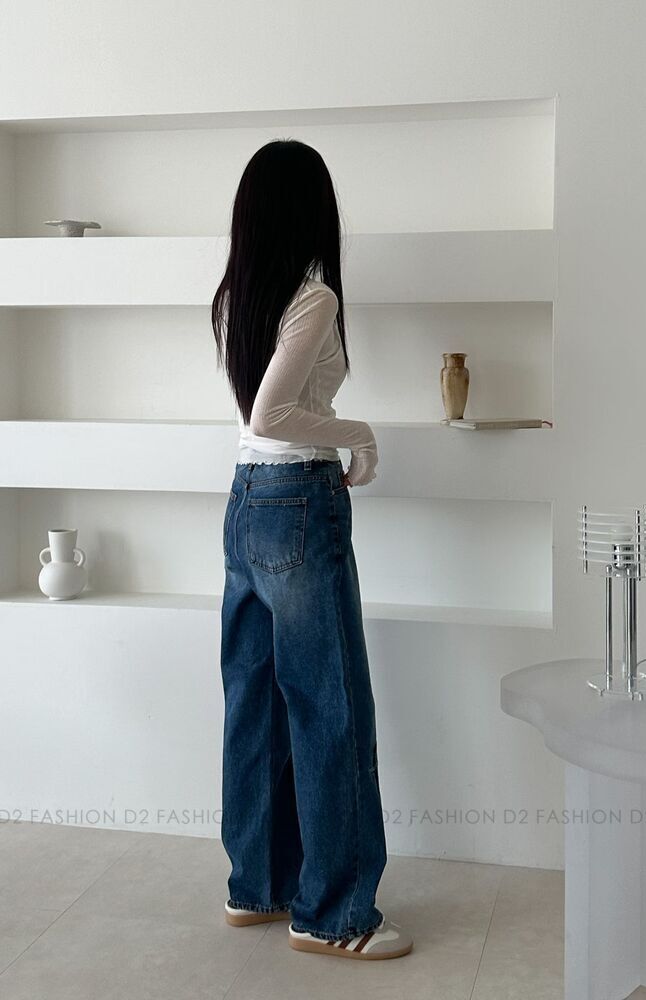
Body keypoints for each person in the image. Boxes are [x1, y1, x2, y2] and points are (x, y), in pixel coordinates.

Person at [211, 139, 412, 960]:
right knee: (330, 707)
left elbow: (253, 419)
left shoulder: (239, 294)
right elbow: (274, 414)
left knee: (255, 702)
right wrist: (360, 433)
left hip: (244, 501)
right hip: (298, 499)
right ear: (311, 209)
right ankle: (335, 914)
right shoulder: (315, 295)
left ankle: (257, 886)